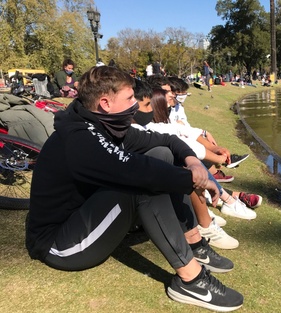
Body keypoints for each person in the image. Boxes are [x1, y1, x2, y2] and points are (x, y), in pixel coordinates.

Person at [25, 66, 244, 311]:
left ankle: (194, 244)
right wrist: (196, 182)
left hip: (85, 215)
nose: (135, 105)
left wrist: (193, 162)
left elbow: (167, 142)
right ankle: (191, 280)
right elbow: (140, 174)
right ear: (106, 103)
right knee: (143, 183)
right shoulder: (80, 140)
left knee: (160, 154)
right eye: (130, 99)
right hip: (60, 245)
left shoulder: (102, 123)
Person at [132, 81, 259, 220]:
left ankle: (225, 197)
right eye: (147, 105)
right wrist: (217, 158)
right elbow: (181, 138)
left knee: (193, 161)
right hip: (156, 182)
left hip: (184, 160)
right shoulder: (141, 129)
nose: (174, 98)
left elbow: (180, 130)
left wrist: (212, 145)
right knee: (191, 165)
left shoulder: (153, 123)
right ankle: (212, 214)